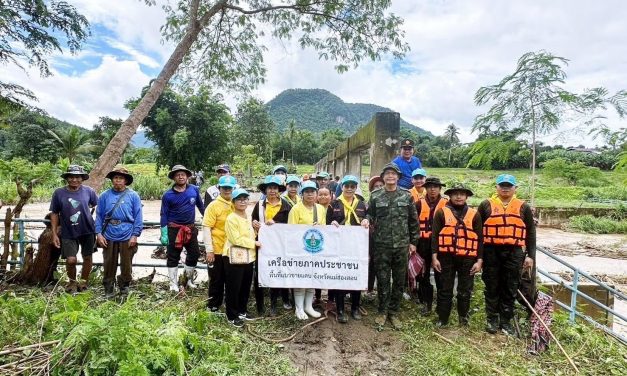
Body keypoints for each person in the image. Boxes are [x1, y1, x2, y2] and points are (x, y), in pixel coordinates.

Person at [478, 174, 536, 335]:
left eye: (509, 186)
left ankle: (506, 321)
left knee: (510, 286)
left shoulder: (523, 207)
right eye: (502, 185)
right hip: (491, 250)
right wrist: (479, 257)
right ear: (496, 187)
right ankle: (492, 319)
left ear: (514, 188)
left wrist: (530, 255)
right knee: (492, 285)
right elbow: (478, 232)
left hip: (514, 252)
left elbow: (530, 233)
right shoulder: (485, 205)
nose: (505, 188)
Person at [367, 163, 419, 329]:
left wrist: (413, 242)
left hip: (402, 245)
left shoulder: (406, 196)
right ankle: (382, 311)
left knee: (398, 280)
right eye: (387, 174)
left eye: (393, 174)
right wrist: (366, 219)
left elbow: (413, 220)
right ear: (383, 177)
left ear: (398, 177)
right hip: (381, 245)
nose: (390, 176)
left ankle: (394, 312)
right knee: (382, 280)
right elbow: (370, 214)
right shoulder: (375, 196)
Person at [431, 183, 483, 327]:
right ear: (450, 196)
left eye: (462, 194)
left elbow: (480, 239)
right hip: (446, 257)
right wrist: (434, 257)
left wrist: (479, 261)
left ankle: (463, 317)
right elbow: (435, 237)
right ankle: (443, 319)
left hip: (467, 258)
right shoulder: (441, 212)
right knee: (445, 289)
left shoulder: (475, 214)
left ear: (466, 196)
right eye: (455, 194)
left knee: (465, 290)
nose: (458, 196)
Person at [327, 175, 369, 323]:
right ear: (342, 187)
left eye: (352, 186)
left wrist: (366, 220)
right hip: (339, 248)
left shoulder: (362, 204)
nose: (350, 188)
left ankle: (355, 307)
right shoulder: (334, 204)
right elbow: (326, 225)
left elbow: (368, 220)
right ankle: (339, 310)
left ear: (356, 188)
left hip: (357, 248)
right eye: (347, 186)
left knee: (356, 276)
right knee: (341, 277)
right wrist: (331, 224)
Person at [95, 167, 143, 298]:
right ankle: (109, 288)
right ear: (112, 180)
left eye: (121, 178)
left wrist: (135, 235)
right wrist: (98, 234)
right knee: (109, 261)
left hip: (127, 233)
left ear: (125, 181)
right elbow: (99, 216)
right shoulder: (105, 195)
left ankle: (124, 287)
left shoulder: (133, 196)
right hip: (109, 233)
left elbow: (138, 216)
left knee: (126, 263)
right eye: (115, 178)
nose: (118, 181)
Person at [50, 165, 98, 293]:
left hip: (87, 230)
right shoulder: (59, 193)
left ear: (82, 178)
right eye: (71, 177)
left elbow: (96, 207)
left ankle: (83, 282)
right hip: (68, 231)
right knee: (71, 260)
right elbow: (54, 213)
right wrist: (54, 233)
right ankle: (72, 282)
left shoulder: (89, 191)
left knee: (87, 257)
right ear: (67, 178)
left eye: (77, 177)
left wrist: (98, 228)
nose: (74, 180)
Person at [160, 165, 204, 292]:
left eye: (183, 174)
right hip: (173, 229)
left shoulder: (194, 190)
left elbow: (201, 207)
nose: (181, 176)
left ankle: (187, 280)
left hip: (190, 228)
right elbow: (164, 214)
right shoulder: (167, 195)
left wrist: (208, 218)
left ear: (187, 176)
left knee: (194, 253)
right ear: (174, 177)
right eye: (178, 174)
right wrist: (163, 232)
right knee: (173, 256)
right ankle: (173, 283)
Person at [252, 175, 292, 316]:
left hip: (280, 246)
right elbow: (253, 220)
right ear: (265, 190)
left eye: (275, 188)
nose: (272, 191)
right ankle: (261, 305)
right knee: (260, 272)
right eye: (270, 188)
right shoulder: (259, 205)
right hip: (262, 245)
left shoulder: (287, 206)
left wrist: (277, 226)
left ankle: (275, 303)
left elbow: (291, 227)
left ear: (279, 190)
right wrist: (254, 223)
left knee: (278, 271)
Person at [287, 180, 326, 320]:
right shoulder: (296, 209)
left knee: (312, 278)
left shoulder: (320, 209)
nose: (310, 194)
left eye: (312, 191)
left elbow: (324, 230)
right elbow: (290, 231)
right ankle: (298, 308)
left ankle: (308, 306)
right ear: (302, 194)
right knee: (300, 279)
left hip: (315, 250)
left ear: (316, 193)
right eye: (307, 192)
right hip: (300, 250)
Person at [223, 188, 260, 327]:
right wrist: (254, 243)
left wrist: (257, 230)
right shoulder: (231, 218)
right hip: (234, 256)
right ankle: (231, 315)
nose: (243, 201)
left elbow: (250, 234)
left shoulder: (248, 216)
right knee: (234, 286)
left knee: (245, 285)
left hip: (248, 256)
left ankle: (242, 310)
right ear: (233, 202)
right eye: (239, 199)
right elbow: (236, 239)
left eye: (245, 199)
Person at [203, 175, 237, 313]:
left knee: (231, 279)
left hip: (232, 249)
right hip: (217, 248)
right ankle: (213, 305)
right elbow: (206, 227)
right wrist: (209, 250)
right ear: (219, 188)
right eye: (224, 188)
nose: (227, 190)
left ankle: (230, 305)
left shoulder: (236, 203)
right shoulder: (213, 206)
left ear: (233, 188)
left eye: (229, 188)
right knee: (216, 279)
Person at [415, 177, 448, 315]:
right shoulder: (418, 204)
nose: (432, 189)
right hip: (422, 243)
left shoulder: (447, 204)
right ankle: (426, 302)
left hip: (441, 244)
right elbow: (412, 223)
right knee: (423, 274)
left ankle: (441, 303)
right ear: (425, 188)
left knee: (441, 274)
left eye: (435, 186)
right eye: (429, 187)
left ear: (440, 189)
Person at [366, 176, 384, 296]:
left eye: (380, 186)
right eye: (375, 187)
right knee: (372, 263)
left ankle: (382, 290)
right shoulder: (368, 204)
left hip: (386, 238)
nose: (378, 188)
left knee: (383, 265)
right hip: (373, 237)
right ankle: (370, 288)